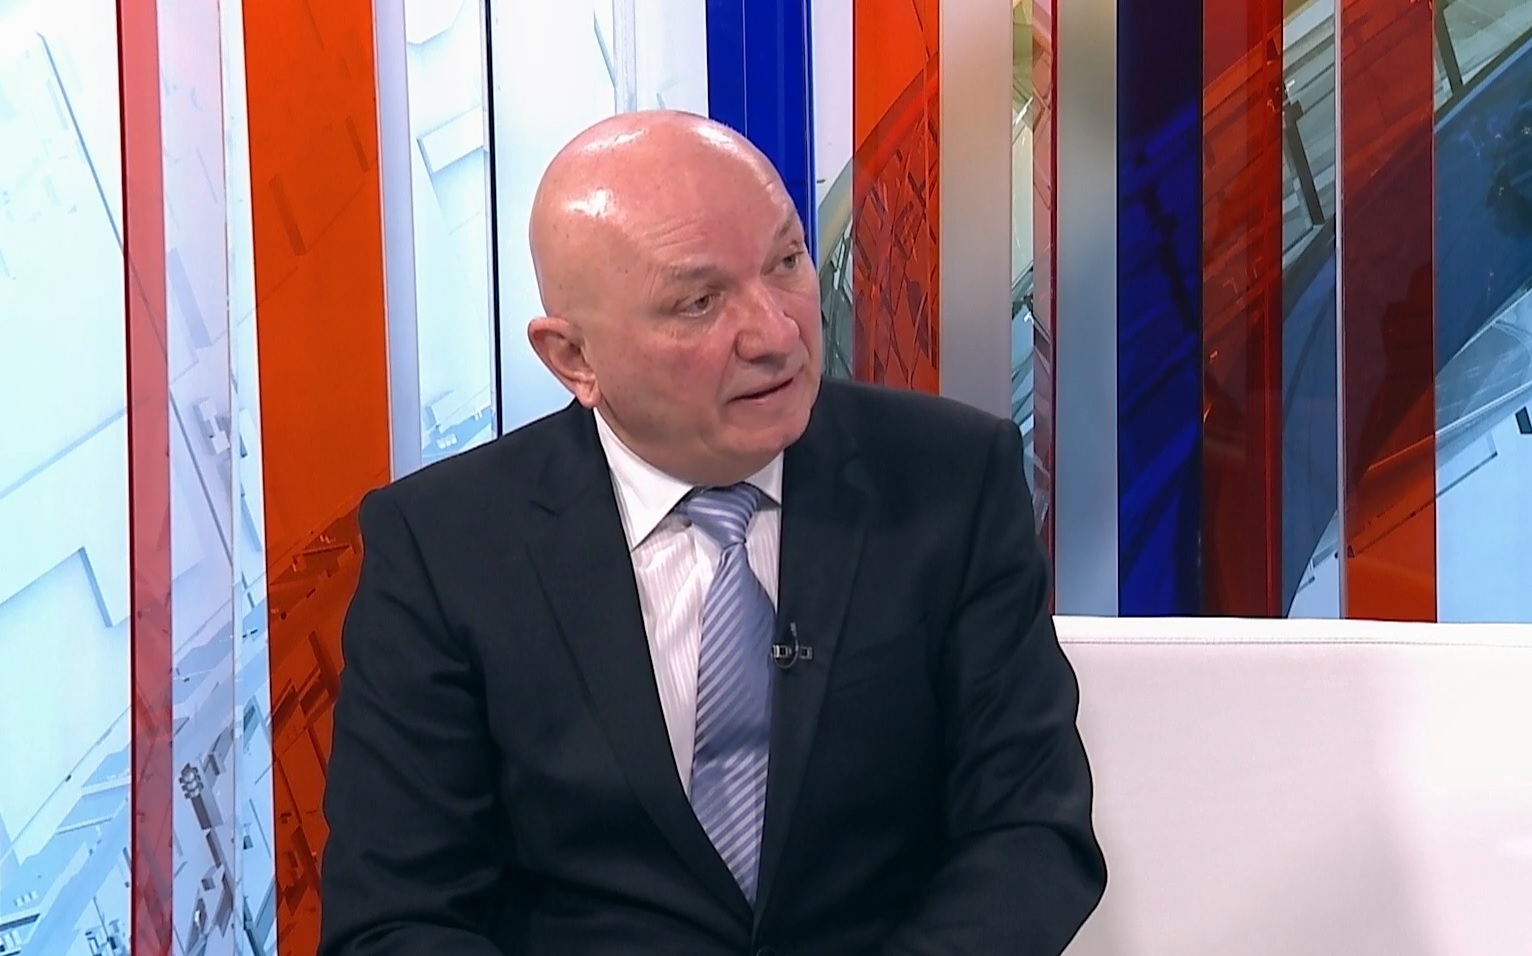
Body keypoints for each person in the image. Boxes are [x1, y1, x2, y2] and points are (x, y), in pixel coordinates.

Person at [318, 110, 1105, 956]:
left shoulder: (948, 477)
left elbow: (1030, 831)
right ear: (573, 358)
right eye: (698, 303)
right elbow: (396, 917)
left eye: (786, 262)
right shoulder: (444, 547)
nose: (777, 334)